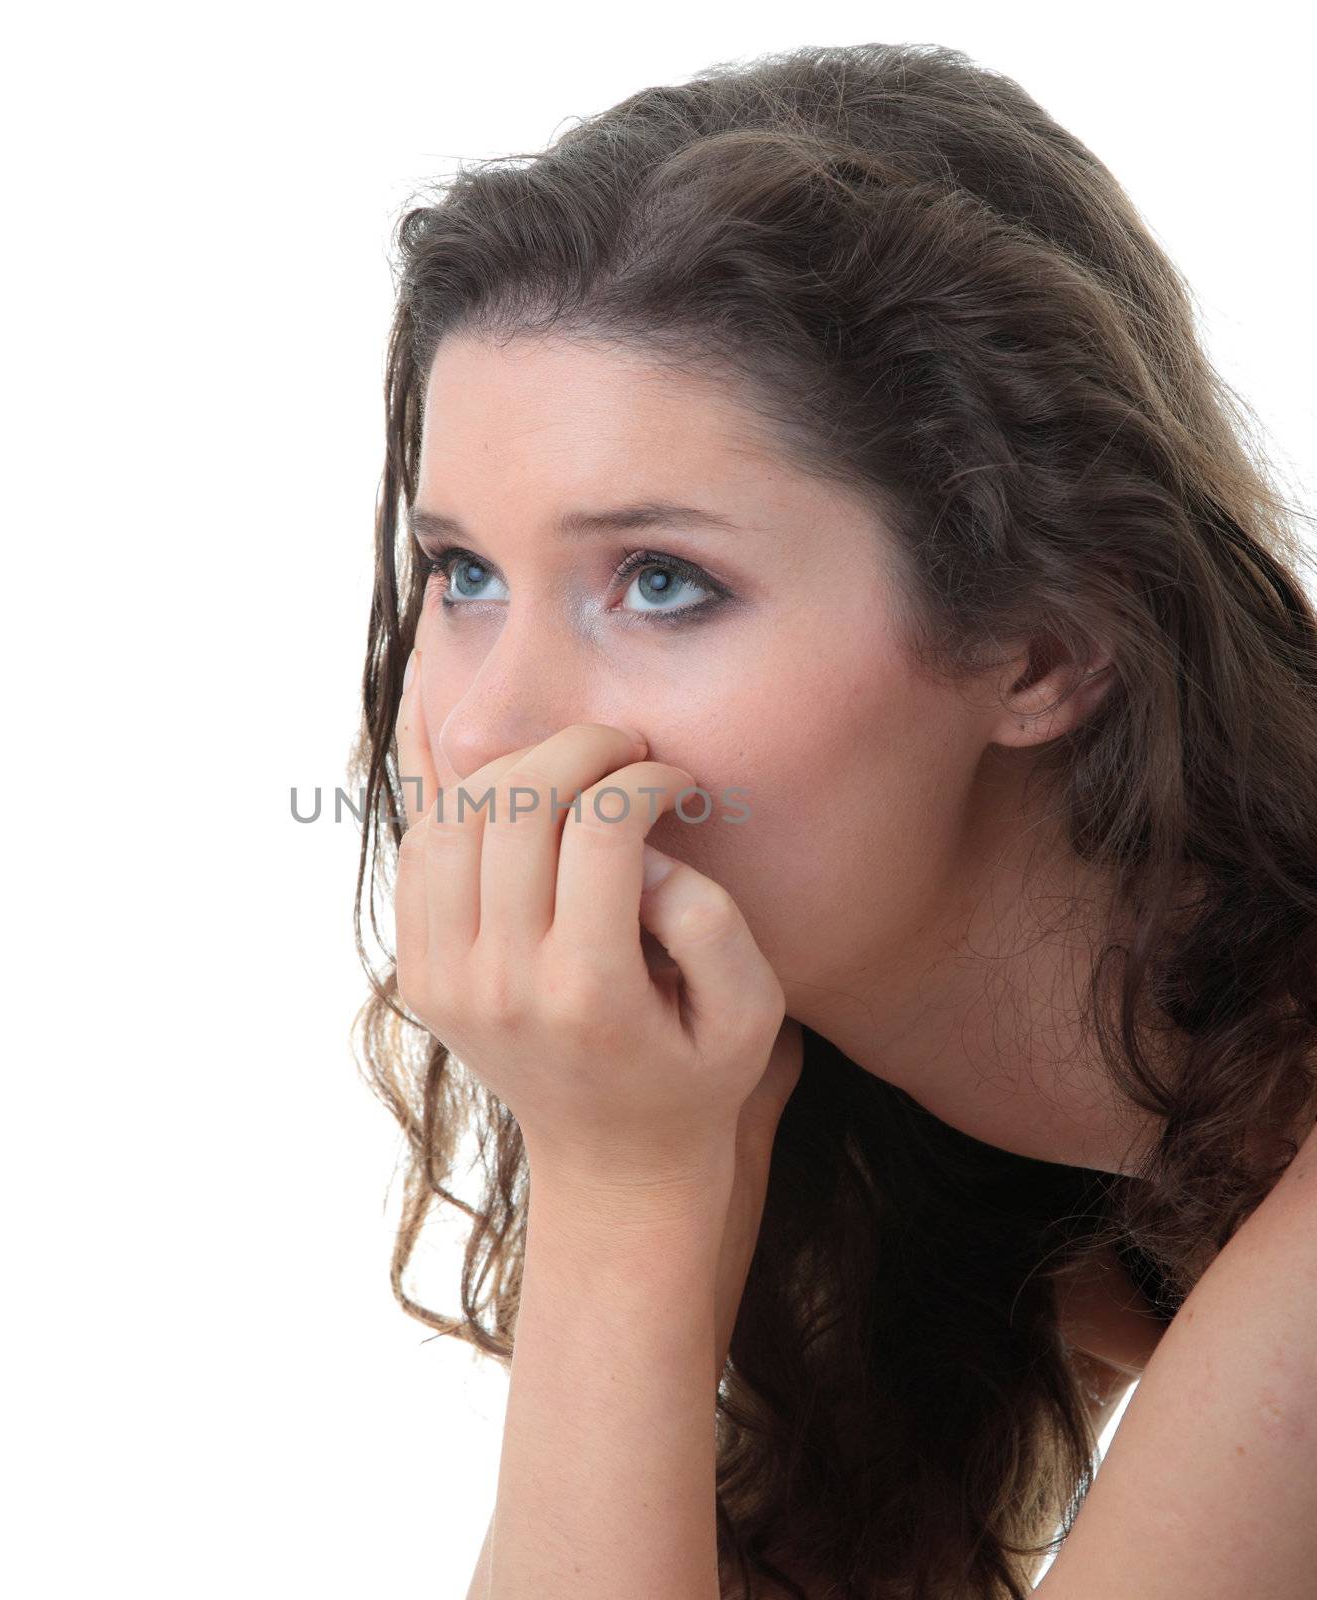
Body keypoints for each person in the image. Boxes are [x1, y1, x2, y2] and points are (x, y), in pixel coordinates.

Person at [347, 42, 1317, 1600]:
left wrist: (619, 1191)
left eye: (660, 581)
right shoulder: (918, 1154)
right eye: (463, 573)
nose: (471, 732)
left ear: (1045, 646)